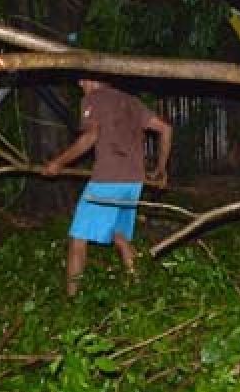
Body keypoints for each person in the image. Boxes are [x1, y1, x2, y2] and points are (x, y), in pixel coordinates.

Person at [42, 79, 172, 297]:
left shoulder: (92, 99)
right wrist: (160, 169)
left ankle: (70, 302)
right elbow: (165, 129)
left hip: (108, 179)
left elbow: (90, 137)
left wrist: (59, 162)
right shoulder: (131, 101)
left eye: (81, 80)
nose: (79, 85)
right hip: (133, 180)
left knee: (78, 238)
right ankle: (139, 289)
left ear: (91, 80)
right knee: (119, 236)